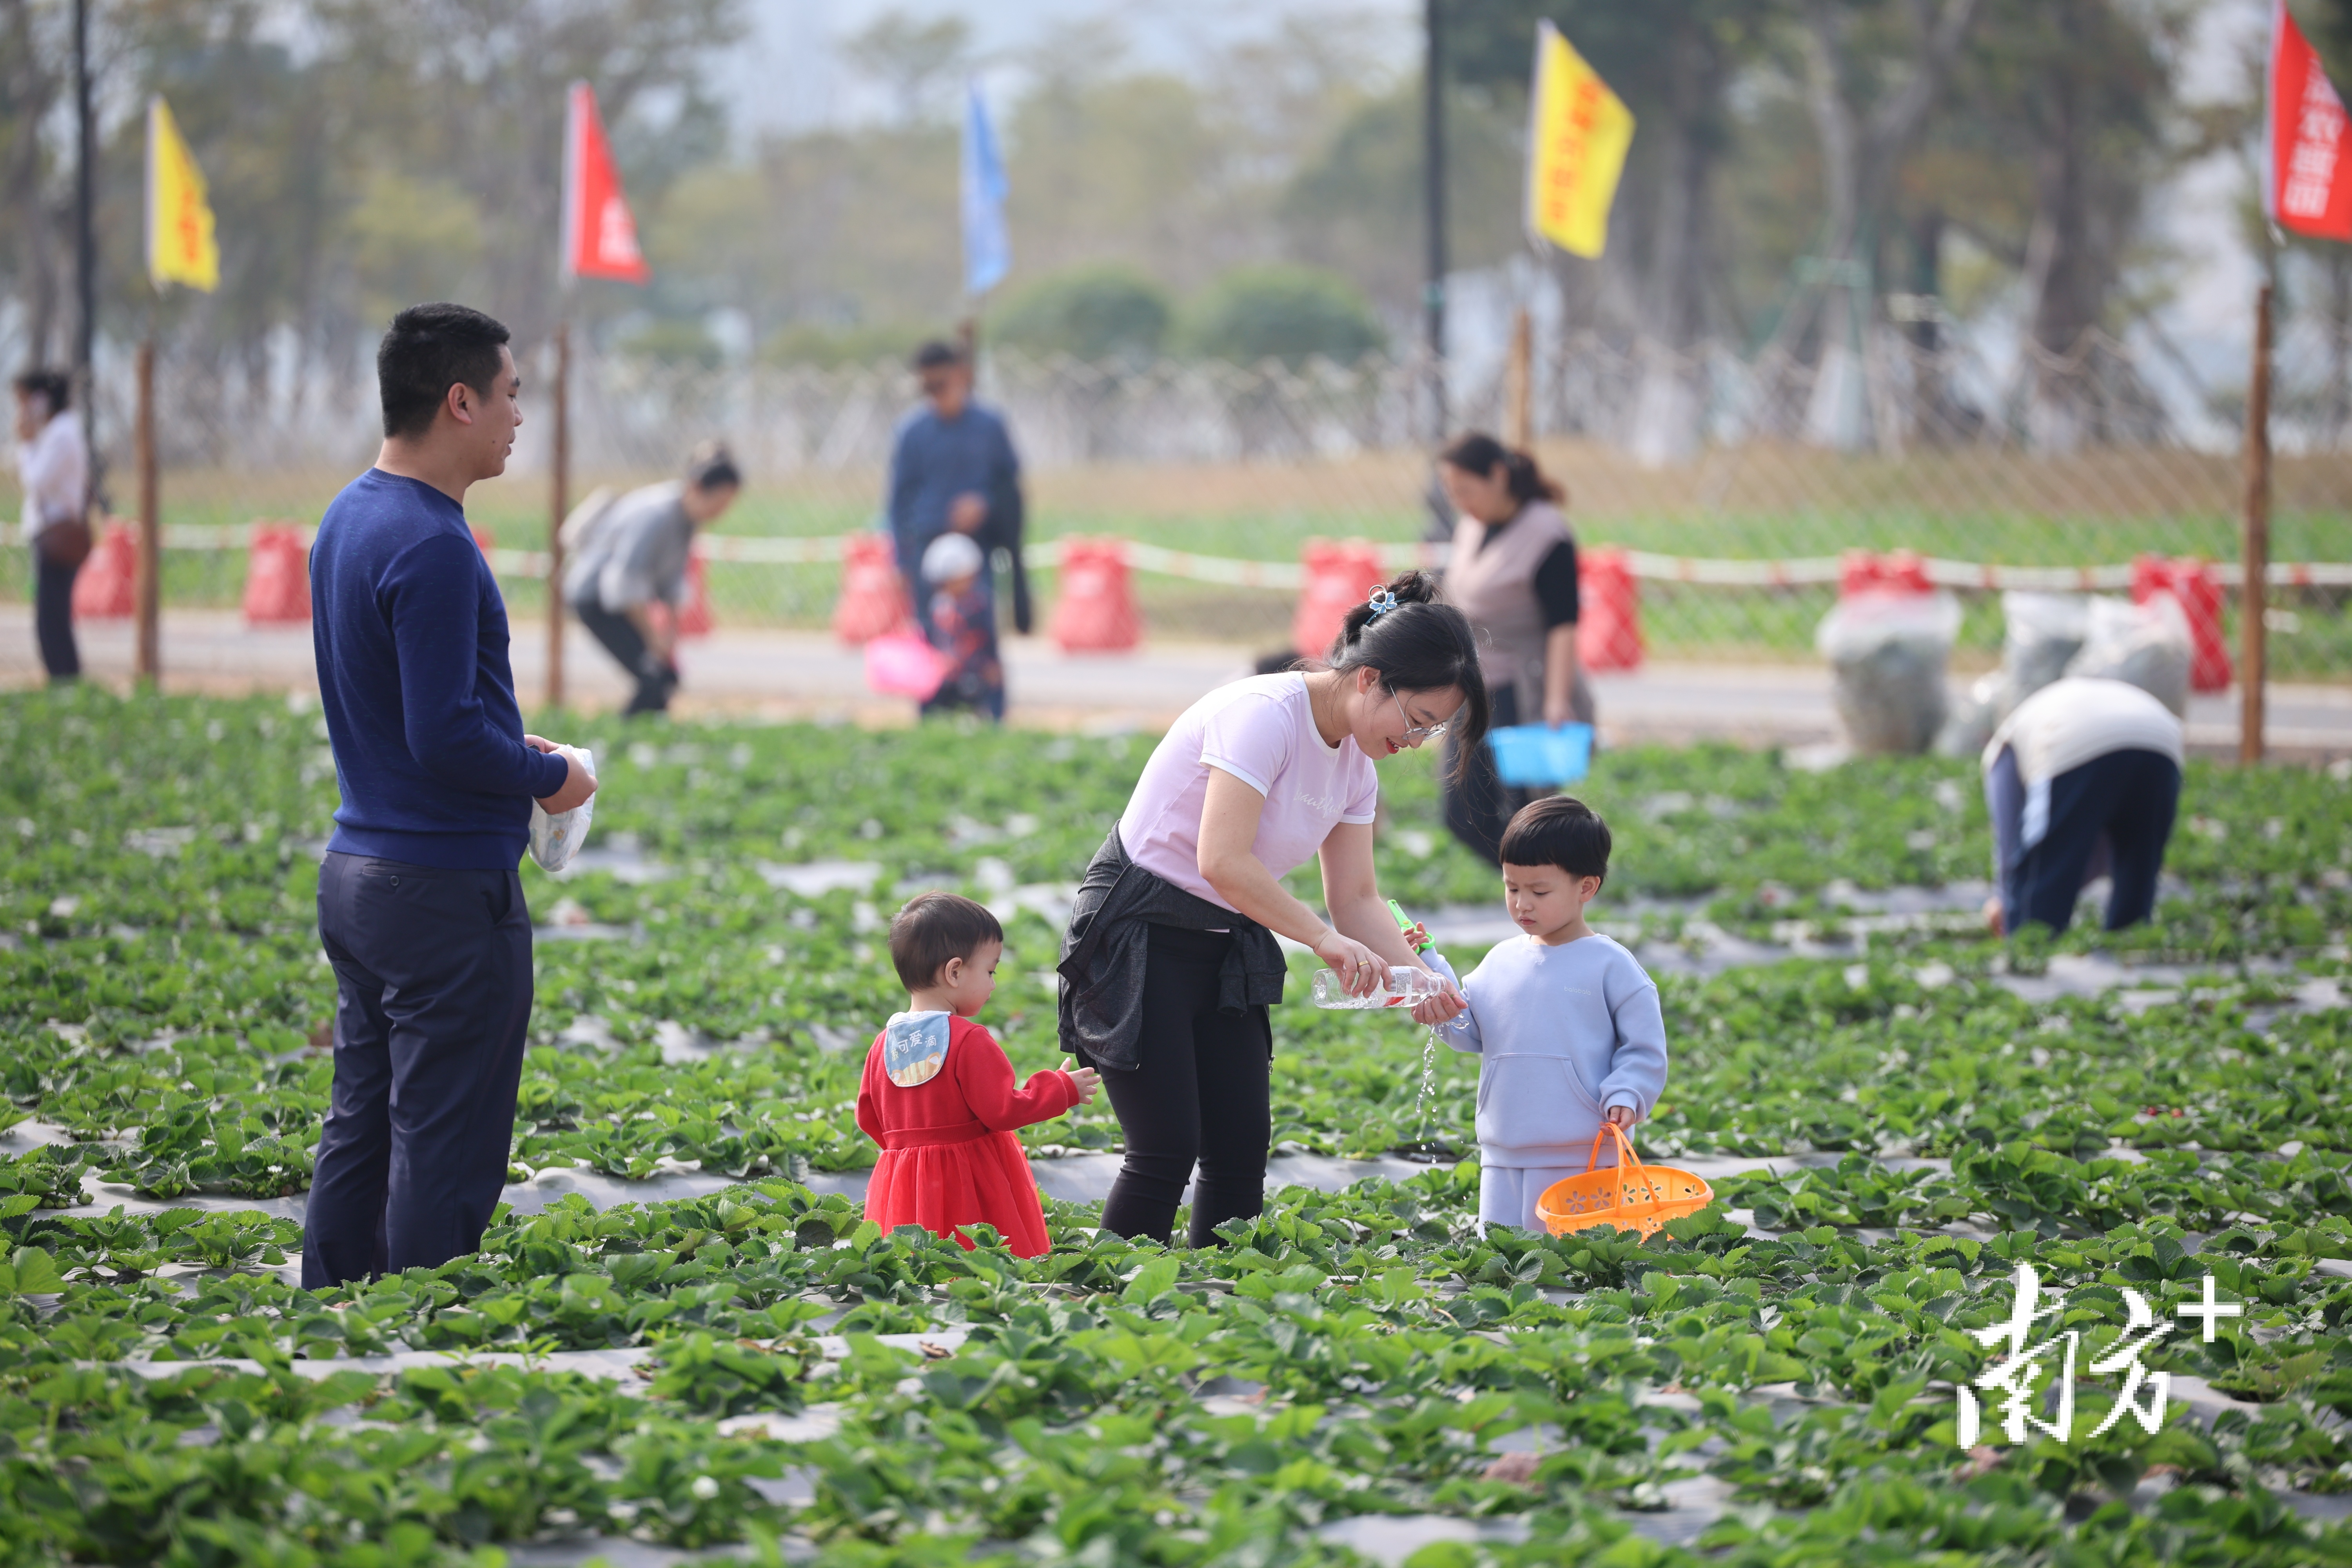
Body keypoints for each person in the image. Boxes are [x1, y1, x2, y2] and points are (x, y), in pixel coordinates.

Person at [301, 303, 598, 1290]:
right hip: (438, 889)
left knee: (363, 1119)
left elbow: (408, 713)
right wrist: (556, 776)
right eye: (511, 395)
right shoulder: (432, 543)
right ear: (459, 399)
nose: (521, 417)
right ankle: (419, 1339)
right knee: (445, 1135)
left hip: (360, 870)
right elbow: (444, 737)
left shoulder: (350, 514)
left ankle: (333, 1314)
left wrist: (513, 746)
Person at [1057, 570, 1488, 1249]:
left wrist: (1425, 983)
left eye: (1431, 732)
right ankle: (1104, 1312)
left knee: (1239, 1151)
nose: (1414, 742)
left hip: (1228, 938)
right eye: (1417, 721)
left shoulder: (1357, 768)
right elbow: (1221, 861)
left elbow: (1358, 900)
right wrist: (1321, 941)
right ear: (1371, 678)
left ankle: (1213, 1311)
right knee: (1166, 1148)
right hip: (1140, 928)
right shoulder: (1264, 714)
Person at [1432, 797, 1668, 1234]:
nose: (1522, 904)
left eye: (1539, 892)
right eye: (1511, 887)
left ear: (1586, 887)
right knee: (1502, 1260)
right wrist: (1436, 983)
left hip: (1584, 1152)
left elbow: (1644, 1049)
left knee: (1568, 1268)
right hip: (1502, 1149)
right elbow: (1469, 1033)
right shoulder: (1499, 961)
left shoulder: (1610, 965)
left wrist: (1627, 1093)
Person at [859, 893, 1101, 1258]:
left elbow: (869, 1116)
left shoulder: (882, 1045)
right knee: (979, 1259)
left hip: (906, 1182)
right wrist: (1061, 1090)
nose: (993, 984)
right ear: (954, 972)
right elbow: (1002, 1110)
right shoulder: (969, 1039)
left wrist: (912, 1154)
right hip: (969, 1179)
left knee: (920, 1264)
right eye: (990, 971)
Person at [1433, 433, 1593, 865]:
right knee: (1461, 812)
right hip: (1473, 682)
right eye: (1452, 492)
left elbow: (1563, 626)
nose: (1460, 500)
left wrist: (1556, 701)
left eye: (1466, 489)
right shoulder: (1471, 526)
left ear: (1498, 476)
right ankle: (1535, 886)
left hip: (1523, 688)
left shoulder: (1547, 535)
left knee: (1529, 810)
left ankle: (1550, 892)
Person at [885, 340, 1030, 720]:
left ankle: (991, 715)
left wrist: (985, 503)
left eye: (942, 385)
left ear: (961, 377)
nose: (937, 395)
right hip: (928, 550)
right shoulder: (913, 432)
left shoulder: (989, 425)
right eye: (928, 388)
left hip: (975, 546)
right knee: (934, 636)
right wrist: (900, 561)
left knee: (981, 633)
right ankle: (934, 716)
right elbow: (899, 501)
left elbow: (1010, 485)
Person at [1981, 675, 2183, 938]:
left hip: (2074, 738)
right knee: (2138, 870)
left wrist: (2007, 901)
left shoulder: (2001, 754)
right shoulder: (2035, 722)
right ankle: (2130, 944)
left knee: (2035, 907)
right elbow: (2093, 842)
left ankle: (2030, 953)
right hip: (2162, 740)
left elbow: (2017, 844)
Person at [564, 441, 741, 717]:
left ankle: (646, 740)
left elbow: (671, 583)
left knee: (668, 677)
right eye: (718, 504)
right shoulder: (658, 515)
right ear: (696, 489)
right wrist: (653, 638)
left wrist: (669, 633)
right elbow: (623, 584)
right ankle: (621, 739)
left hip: (617, 600)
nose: (720, 513)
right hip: (593, 598)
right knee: (653, 679)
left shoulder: (686, 520)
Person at [12, 368, 89, 683]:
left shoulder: (61, 433)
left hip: (59, 534)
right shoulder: (60, 431)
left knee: (52, 620)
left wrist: (26, 445)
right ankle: (64, 682)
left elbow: (37, 481)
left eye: (25, 402)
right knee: (51, 617)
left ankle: (65, 682)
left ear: (41, 401)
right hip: (52, 532)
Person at [917, 531, 1005, 717]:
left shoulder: (978, 605)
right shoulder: (937, 606)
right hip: (944, 674)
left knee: (987, 699)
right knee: (931, 702)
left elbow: (989, 639)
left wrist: (991, 664)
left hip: (975, 671)